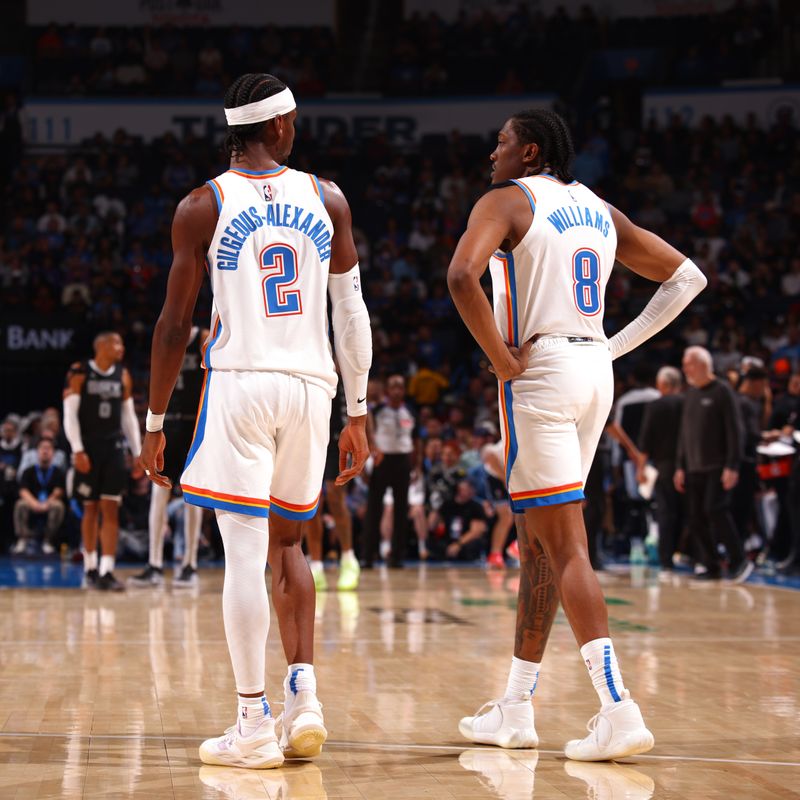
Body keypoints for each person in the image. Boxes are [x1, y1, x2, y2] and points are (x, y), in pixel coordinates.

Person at [447, 108, 706, 761]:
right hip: (593, 368)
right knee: (538, 544)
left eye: (501, 142)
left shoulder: (507, 199)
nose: (492, 154)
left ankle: (619, 709)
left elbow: (459, 276)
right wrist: (615, 347)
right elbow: (687, 277)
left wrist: (501, 359)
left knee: (566, 549)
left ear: (528, 151)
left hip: (542, 373)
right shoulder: (597, 206)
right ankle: (514, 706)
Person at [138, 73, 371, 770]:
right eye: (291, 121)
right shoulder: (328, 198)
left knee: (242, 554)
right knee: (289, 546)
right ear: (274, 128)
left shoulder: (200, 205)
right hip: (311, 386)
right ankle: (306, 698)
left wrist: (154, 420)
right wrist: (357, 410)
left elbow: (174, 324)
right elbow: (351, 313)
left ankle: (253, 724)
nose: (295, 130)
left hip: (242, 382)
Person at [130, 326, 208, 588]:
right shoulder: (164, 334)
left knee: (192, 497)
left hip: (193, 426)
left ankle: (190, 564)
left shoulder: (202, 337)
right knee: (158, 495)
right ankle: (154, 564)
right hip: (166, 425)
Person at [63, 331, 142, 591]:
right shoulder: (79, 371)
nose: (121, 347)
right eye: (116, 343)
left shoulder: (123, 374)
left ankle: (107, 570)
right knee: (90, 508)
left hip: (113, 447)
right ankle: (90, 567)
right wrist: (77, 449)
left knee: (111, 508)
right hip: (88, 446)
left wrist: (137, 452)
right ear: (101, 346)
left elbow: (129, 418)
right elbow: (70, 414)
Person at [675, 346, 752, 582]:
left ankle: (739, 560)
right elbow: (683, 434)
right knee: (696, 517)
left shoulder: (722, 391)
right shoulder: (690, 394)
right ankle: (711, 565)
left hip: (717, 466)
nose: (685, 368)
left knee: (715, 510)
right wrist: (680, 466)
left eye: (688, 364)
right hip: (694, 468)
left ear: (701, 364)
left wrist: (732, 465)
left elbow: (735, 431)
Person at [304, 382, 361, 591]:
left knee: (336, 499)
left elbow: (361, 408)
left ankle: (348, 558)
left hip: (337, 438)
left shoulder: (344, 375)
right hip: (311, 435)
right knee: (313, 503)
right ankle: (316, 565)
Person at [363, 374, 415, 568]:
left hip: (403, 460)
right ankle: (368, 556)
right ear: (387, 390)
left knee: (401, 510)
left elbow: (417, 439)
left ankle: (397, 557)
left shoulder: (410, 410)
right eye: (393, 386)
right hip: (382, 460)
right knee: (374, 509)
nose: (396, 390)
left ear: (404, 390)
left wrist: (416, 465)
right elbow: (367, 428)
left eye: (400, 387)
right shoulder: (376, 410)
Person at [636, 366, 684, 570]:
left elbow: (645, 441)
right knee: (689, 512)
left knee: (665, 512)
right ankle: (689, 554)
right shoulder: (687, 402)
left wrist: (641, 468)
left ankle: (666, 559)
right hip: (689, 465)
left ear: (663, 385)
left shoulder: (655, 406)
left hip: (664, 466)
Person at [13, 438, 66, 555]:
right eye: (42, 448)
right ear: (37, 451)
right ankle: (23, 539)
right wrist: (35, 504)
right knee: (20, 504)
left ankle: (48, 540)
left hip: (49, 502)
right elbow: (23, 490)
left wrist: (46, 504)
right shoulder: (28, 471)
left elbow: (58, 491)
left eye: (48, 449)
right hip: (33, 502)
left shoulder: (58, 472)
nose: (45, 451)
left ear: (53, 453)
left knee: (58, 506)